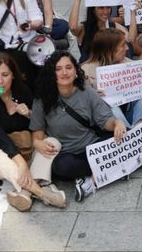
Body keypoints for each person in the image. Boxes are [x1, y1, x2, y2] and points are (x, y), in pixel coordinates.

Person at [0, 52, 67, 211]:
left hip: (28, 149)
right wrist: (21, 164)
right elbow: (0, 139)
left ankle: (25, 193)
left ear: (13, 76)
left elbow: (39, 124)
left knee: (53, 143)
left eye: (5, 75)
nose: (0, 81)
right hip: (1, 153)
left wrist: (29, 114)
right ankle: (42, 192)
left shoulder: (22, 92)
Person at [31, 51, 126, 202]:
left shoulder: (86, 91)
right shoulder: (41, 99)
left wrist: (117, 123)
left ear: (76, 70)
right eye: (58, 69)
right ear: (52, 73)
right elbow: (38, 131)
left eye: (69, 67)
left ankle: (93, 177)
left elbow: (104, 120)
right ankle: (108, 169)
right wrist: (38, 142)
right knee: (61, 168)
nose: (64, 72)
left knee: (124, 138)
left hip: (93, 146)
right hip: (68, 153)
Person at [79, 28, 142, 173]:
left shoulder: (128, 63)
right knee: (106, 102)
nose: (127, 48)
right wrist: (92, 95)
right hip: (109, 123)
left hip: (131, 116)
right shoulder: (85, 70)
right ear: (109, 50)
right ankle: (141, 145)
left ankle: (135, 138)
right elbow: (79, 103)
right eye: (122, 46)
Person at [68, 0, 137, 63]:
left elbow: (131, 39)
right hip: (90, 70)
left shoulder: (113, 25)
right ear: (93, 10)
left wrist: (133, 12)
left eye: (108, 7)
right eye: (101, 8)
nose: (105, 12)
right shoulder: (84, 28)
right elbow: (72, 27)